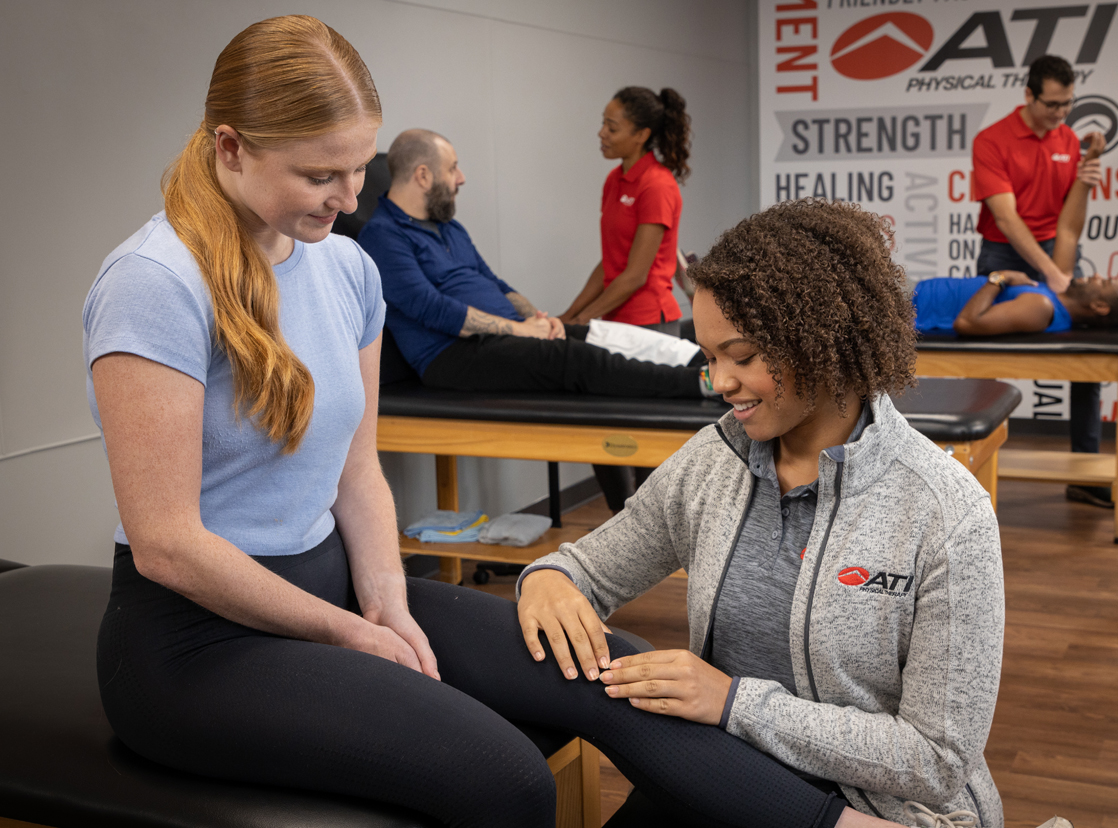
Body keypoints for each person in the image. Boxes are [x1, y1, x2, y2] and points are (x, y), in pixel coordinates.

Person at [84, 18, 915, 828]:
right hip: (194, 647)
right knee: (505, 778)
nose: (349, 197)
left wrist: (386, 603)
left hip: (336, 586)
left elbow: (356, 471)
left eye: (356, 168)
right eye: (317, 175)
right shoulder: (156, 281)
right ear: (230, 147)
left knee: (623, 671)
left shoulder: (345, 266)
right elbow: (167, 542)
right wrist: (348, 631)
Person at [516, 199, 1015, 828]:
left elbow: (938, 760)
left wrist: (734, 704)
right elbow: (583, 568)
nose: (719, 381)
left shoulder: (945, 511)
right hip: (719, 775)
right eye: (709, 356)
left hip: (877, 810)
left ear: (824, 340)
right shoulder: (713, 461)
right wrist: (545, 580)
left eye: (743, 355)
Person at [357, 128, 711, 403]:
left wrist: (537, 320)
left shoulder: (449, 227)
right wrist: (519, 331)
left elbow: (493, 281)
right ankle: (697, 384)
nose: (461, 177)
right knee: (573, 358)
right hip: (451, 355)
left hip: (501, 336)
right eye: (452, 169)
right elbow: (432, 309)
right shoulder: (382, 237)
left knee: (599, 333)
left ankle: (704, 361)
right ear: (422, 175)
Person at [972, 53, 1108, 507]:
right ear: (1029, 95)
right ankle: (970, 474)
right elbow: (1007, 220)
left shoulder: (1068, 139)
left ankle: (1085, 474)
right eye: (1052, 104)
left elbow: (1068, 223)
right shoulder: (992, 141)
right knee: (980, 360)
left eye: (1068, 104)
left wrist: (1086, 173)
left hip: (1057, 251)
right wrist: (1050, 274)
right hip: (1004, 251)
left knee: (1088, 359)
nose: (1060, 114)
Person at [559, 87, 690, 334]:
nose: (602, 133)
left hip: (650, 323)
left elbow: (635, 275)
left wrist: (582, 319)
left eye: (612, 128)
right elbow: (611, 263)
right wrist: (569, 314)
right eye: (603, 124)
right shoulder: (614, 179)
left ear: (641, 135)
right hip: (614, 320)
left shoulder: (657, 184)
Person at [913, 270, 1118, 335]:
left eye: (1104, 282)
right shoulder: (1054, 297)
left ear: (1099, 306)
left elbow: (967, 323)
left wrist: (1000, 278)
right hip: (916, 292)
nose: (1097, 275)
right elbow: (1067, 231)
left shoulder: (1041, 308)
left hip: (911, 306)